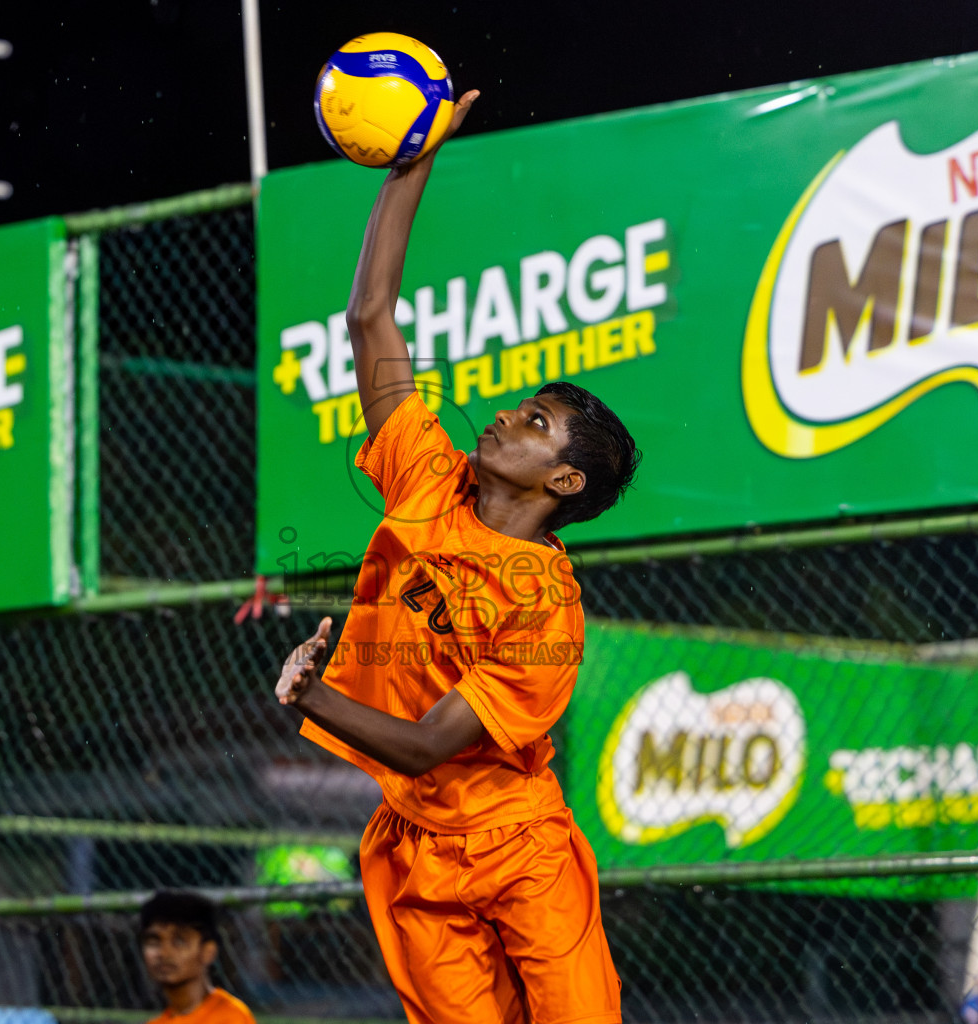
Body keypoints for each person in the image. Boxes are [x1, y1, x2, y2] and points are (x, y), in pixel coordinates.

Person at [275, 88, 638, 1024]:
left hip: (519, 846)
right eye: (523, 406)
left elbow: (438, 740)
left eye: (538, 424)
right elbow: (369, 317)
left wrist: (315, 696)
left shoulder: (544, 608)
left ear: (563, 483)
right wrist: (411, 167)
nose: (511, 416)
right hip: (415, 846)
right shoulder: (425, 478)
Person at [138, 891, 255, 1023]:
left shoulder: (229, 1017)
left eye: (179, 941)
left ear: (207, 951)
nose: (164, 953)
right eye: (154, 942)